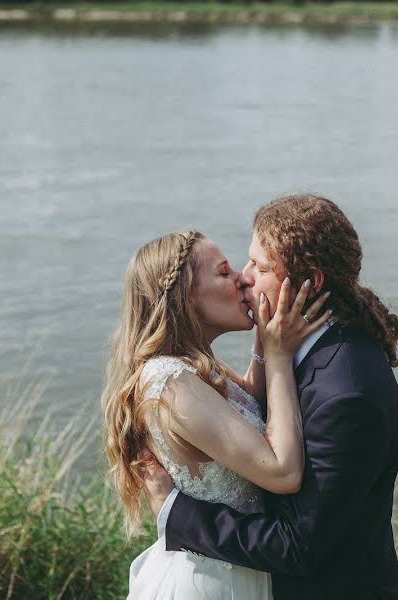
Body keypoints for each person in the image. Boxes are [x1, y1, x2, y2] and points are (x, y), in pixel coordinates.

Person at [142, 194, 398, 600]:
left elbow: (297, 545)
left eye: (261, 266)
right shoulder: (302, 352)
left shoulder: (346, 395)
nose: (245, 277)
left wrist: (177, 512)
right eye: (247, 261)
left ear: (312, 282)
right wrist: (270, 352)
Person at [101, 229, 331, 599]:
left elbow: (251, 406)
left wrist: (265, 337)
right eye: (224, 273)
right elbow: (282, 472)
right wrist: (279, 356)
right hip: (209, 583)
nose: (243, 278)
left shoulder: (194, 369)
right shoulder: (170, 381)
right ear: (186, 298)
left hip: (235, 570)